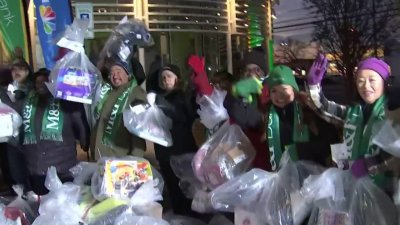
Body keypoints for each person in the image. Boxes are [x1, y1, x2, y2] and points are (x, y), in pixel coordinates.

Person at [225, 65, 339, 170]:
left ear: (294, 90)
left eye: (284, 89)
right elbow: (240, 114)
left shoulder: (309, 113)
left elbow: (331, 142)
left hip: (311, 182)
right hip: (280, 182)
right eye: (274, 91)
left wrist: (301, 151)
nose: (279, 96)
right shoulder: (267, 116)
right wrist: (235, 92)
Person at [307, 55, 394, 189]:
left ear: (384, 82)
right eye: (360, 81)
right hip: (355, 187)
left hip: (385, 190)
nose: (366, 86)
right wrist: (314, 85)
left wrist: (368, 164)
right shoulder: (354, 112)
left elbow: (396, 151)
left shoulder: (393, 113)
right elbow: (324, 109)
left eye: (372, 80)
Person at [21, 68, 90, 195]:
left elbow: (84, 136)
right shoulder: (27, 103)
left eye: (45, 82)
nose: (41, 85)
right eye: (38, 82)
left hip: (62, 172)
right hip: (34, 171)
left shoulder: (67, 102)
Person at [152, 64, 199, 216]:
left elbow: (181, 115)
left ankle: (189, 217)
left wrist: (160, 103)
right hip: (165, 153)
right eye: (163, 77)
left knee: (185, 189)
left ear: (177, 79)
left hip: (182, 150)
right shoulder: (161, 97)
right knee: (172, 188)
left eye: (169, 76)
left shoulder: (183, 96)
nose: (165, 79)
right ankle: (179, 216)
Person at [91, 58, 147, 160]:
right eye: (112, 72)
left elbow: (139, 131)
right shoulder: (107, 92)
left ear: (128, 74)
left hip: (121, 161)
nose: (115, 76)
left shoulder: (136, 93)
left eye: (119, 72)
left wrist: (135, 160)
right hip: (102, 158)